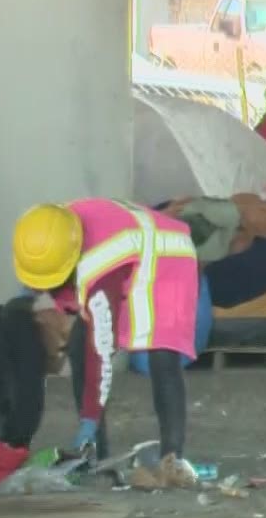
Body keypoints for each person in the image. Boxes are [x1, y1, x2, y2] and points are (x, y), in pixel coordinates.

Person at [11, 198, 202, 489]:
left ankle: (172, 459)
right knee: (77, 349)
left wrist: (88, 418)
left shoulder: (99, 265)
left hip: (168, 258)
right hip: (131, 249)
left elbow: (99, 350)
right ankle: (98, 456)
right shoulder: (51, 230)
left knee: (163, 355)